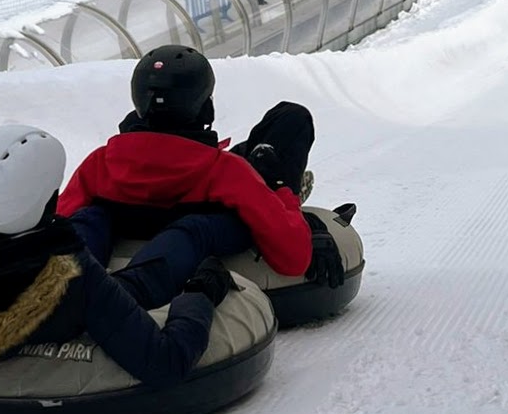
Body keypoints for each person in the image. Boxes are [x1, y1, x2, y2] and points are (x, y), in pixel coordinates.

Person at [0, 124, 250, 389]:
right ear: (46, 199)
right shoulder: (75, 279)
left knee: (92, 216)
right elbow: (165, 363)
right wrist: (199, 294)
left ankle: (104, 216)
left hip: (5, 268)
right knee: (160, 262)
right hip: (82, 306)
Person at [58, 46, 343, 286]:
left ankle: (258, 159)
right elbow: (293, 259)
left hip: (152, 193)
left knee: (251, 149)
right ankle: (272, 173)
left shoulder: (99, 163)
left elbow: (59, 221)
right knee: (292, 117)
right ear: (205, 107)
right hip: (217, 190)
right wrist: (284, 197)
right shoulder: (225, 172)